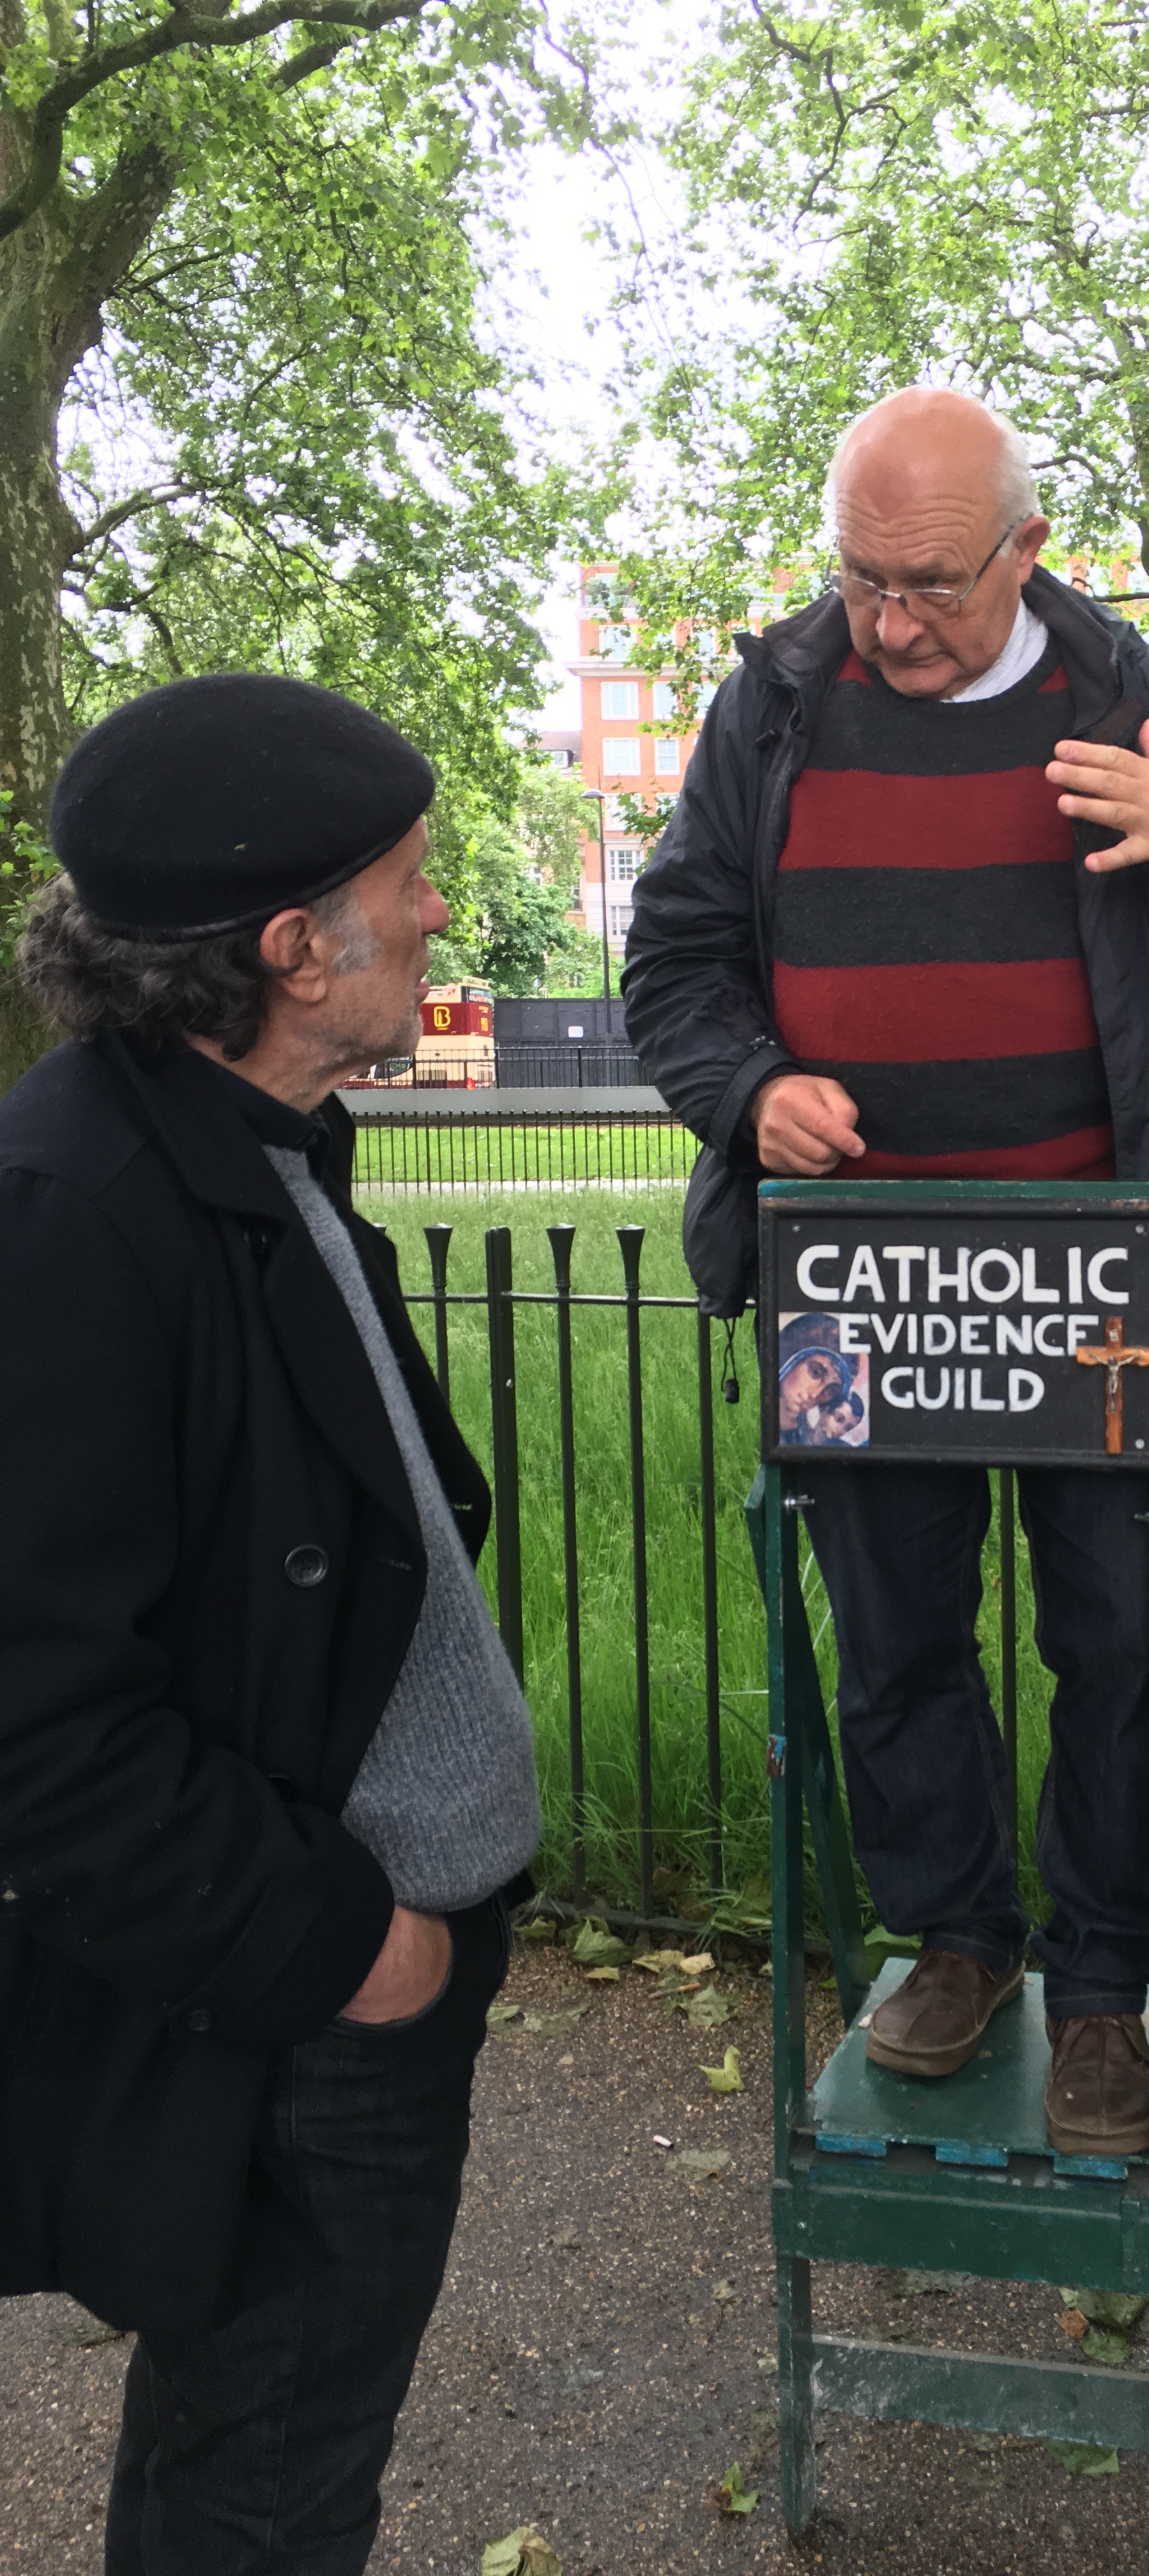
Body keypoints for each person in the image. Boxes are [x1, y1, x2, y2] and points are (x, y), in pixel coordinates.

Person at [627, 387, 1149, 2154]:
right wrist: (749, 1089)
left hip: (1097, 1283)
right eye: (861, 578)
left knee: (1118, 1650)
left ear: (1028, 549)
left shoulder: (1126, 701)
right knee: (896, 1648)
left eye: (933, 584)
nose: (892, 623)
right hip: (861, 1288)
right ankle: (955, 1942)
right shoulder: (773, 709)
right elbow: (678, 961)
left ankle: (1101, 1994)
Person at [0, 675, 541, 2575]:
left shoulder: (252, 1141)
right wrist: (352, 1952)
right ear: (296, 950)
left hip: (350, 1973)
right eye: (411, 880)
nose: (440, 912)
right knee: (271, 2495)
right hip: (303, 2003)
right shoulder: (76, 1212)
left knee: (251, 2452)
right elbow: (40, 1729)